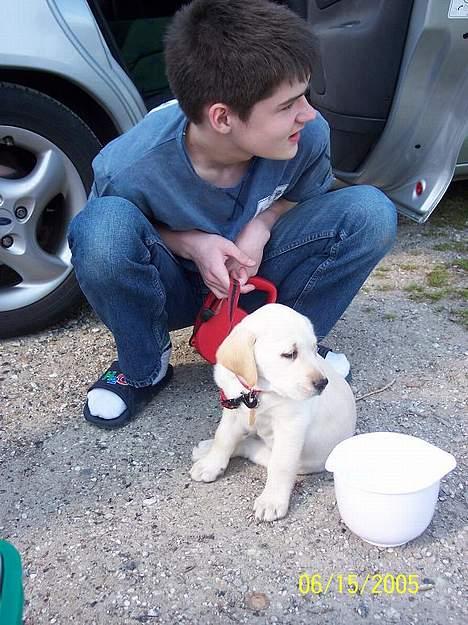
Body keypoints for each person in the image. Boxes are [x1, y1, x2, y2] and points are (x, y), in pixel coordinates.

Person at [68, 0, 397, 429]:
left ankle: (289, 350)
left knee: (369, 211)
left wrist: (260, 226)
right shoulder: (130, 164)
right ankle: (144, 365)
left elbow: (303, 199)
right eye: (287, 105)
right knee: (103, 228)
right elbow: (103, 240)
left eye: (305, 95)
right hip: (170, 287)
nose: (308, 113)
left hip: (249, 276)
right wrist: (192, 243)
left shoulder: (307, 134)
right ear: (222, 117)